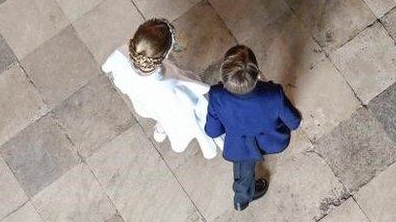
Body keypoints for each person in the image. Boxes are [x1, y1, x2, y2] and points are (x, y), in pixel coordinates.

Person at [102, 19, 223, 159]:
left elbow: (106, 67)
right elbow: (190, 100)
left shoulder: (120, 53)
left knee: (158, 114)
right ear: (165, 55)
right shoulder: (171, 83)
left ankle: (160, 128)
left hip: (142, 104)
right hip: (166, 106)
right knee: (172, 119)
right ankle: (161, 128)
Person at [204, 45, 302, 211]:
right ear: (257, 74)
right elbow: (294, 122)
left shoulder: (216, 94)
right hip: (271, 141)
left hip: (239, 145)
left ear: (224, 75)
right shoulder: (273, 93)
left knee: (242, 170)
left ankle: (241, 200)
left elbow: (213, 131)